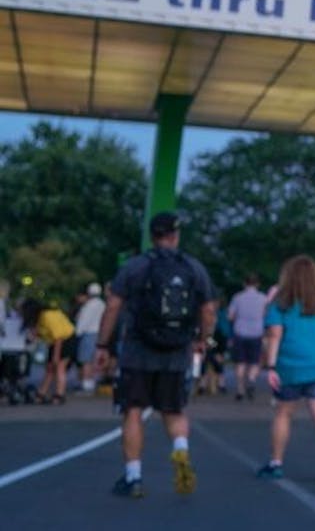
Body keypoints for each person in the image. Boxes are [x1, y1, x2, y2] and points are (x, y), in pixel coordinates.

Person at [94, 211, 217, 499]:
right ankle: (181, 450)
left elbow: (113, 306)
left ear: (152, 236)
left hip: (138, 350)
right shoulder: (193, 267)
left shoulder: (135, 266)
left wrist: (102, 345)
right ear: (176, 235)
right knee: (174, 410)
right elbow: (209, 309)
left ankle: (133, 476)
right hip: (176, 351)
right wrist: (204, 340)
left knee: (133, 410)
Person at [254, 254, 315, 483]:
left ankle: (275, 463)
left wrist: (271, 366)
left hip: (291, 365)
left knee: (284, 413)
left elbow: (274, 334)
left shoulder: (281, 304)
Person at [20, 298, 74, 404]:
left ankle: (59, 395)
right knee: (50, 369)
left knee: (59, 367)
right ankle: (41, 393)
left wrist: (55, 356)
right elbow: (42, 334)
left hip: (66, 340)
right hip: (55, 342)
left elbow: (59, 337)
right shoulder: (40, 317)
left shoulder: (47, 315)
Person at [228, 274, 267, 401]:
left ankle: (240, 389)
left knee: (240, 362)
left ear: (244, 284)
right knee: (254, 361)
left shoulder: (237, 297)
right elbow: (266, 316)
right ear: (258, 284)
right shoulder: (263, 298)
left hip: (240, 332)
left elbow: (230, 316)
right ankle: (251, 379)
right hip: (257, 333)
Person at [74, 282, 106, 393]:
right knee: (93, 360)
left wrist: (77, 333)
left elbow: (83, 321)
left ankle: (86, 384)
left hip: (88, 334)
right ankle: (91, 382)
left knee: (86, 360)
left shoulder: (89, 305)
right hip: (99, 333)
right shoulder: (102, 304)